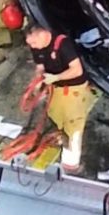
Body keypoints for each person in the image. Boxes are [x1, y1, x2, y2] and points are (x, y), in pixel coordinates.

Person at [25, 24, 97, 173]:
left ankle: (72, 165)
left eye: (34, 43)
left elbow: (77, 70)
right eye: (30, 44)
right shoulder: (36, 46)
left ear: (43, 34)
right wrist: (38, 82)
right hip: (55, 88)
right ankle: (61, 136)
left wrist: (56, 77)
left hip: (73, 88)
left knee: (73, 126)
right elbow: (40, 66)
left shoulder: (63, 45)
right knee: (56, 115)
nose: (33, 47)